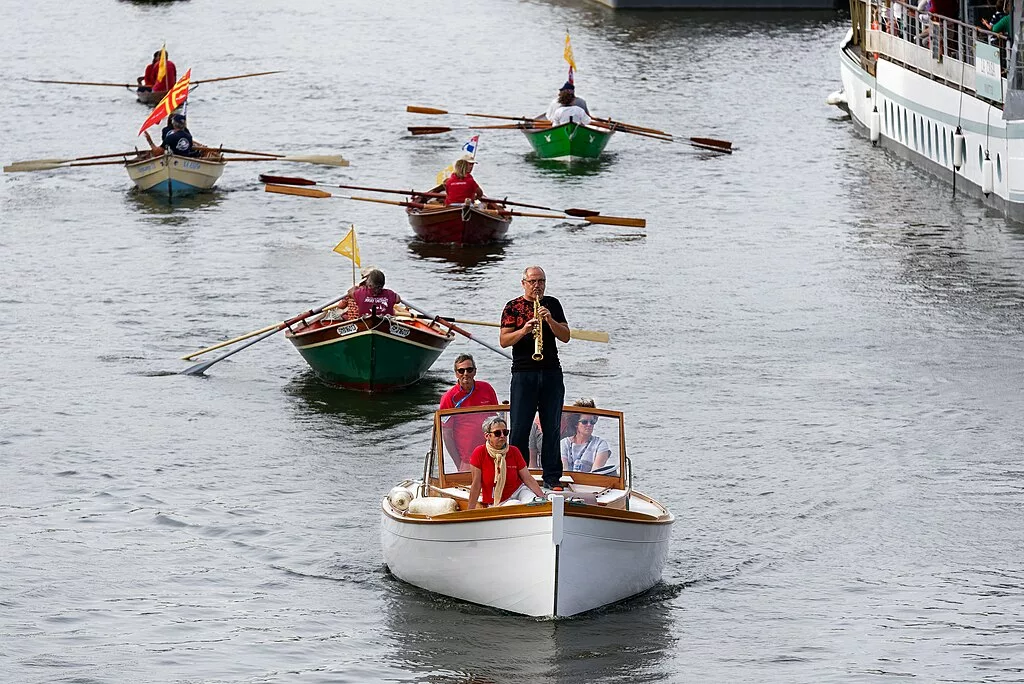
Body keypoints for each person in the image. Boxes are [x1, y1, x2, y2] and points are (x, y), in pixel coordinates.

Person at [500, 266, 570, 489]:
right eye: (532, 281)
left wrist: (550, 321)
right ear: (523, 283)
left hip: (551, 371)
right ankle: (517, 478)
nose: (537, 285)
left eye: (540, 281)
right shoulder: (513, 307)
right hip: (523, 372)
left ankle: (552, 477)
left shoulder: (553, 304)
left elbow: (566, 336)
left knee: (551, 427)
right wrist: (523, 331)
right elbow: (504, 340)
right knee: (520, 427)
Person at [468, 416, 545, 509]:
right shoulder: (479, 452)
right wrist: (470, 510)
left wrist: (543, 499)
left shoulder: (514, 451)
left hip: (519, 491)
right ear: (487, 436)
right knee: (516, 505)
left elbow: (527, 478)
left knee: (533, 502)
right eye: (497, 433)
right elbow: (476, 484)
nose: (502, 436)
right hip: (498, 500)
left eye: (505, 432)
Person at [439, 354, 499, 470]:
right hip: (467, 460)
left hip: (491, 454)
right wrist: (459, 463)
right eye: (461, 370)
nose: (465, 373)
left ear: (475, 371)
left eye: (469, 369)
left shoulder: (487, 388)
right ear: (456, 373)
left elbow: (496, 421)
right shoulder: (449, 398)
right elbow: (446, 434)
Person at [560, 398, 614, 475]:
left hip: (589, 484)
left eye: (592, 422)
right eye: (584, 422)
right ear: (576, 424)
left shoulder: (600, 444)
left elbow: (595, 473)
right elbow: (564, 470)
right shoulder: (564, 443)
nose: (589, 425)